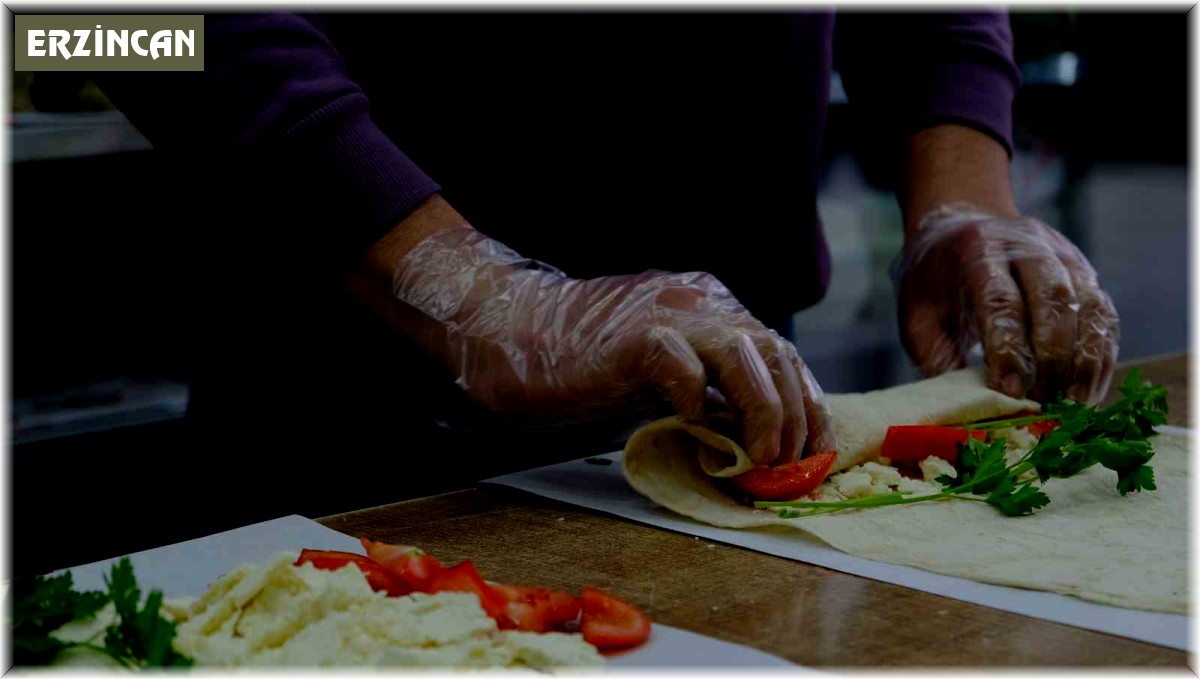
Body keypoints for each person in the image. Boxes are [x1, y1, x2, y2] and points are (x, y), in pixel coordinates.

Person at [91, 11, 1118, 518]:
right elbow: (93, 27)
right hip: (342, 410)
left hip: (745, 406)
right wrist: (454, 279)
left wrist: (962, 188)